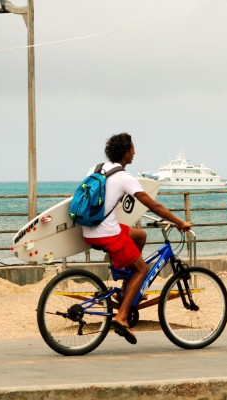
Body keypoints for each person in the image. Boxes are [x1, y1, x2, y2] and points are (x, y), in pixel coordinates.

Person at [81, 132, 192, 345]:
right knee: (142, 269)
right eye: (133, 149)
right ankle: (121, 318)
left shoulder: (96, 168)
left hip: (90, 228)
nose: (135, 152)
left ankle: (125, 288)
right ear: (125, 153)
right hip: (107, 233)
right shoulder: (125, 178)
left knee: (140, 235)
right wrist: (179, 222)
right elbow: (154, 205)